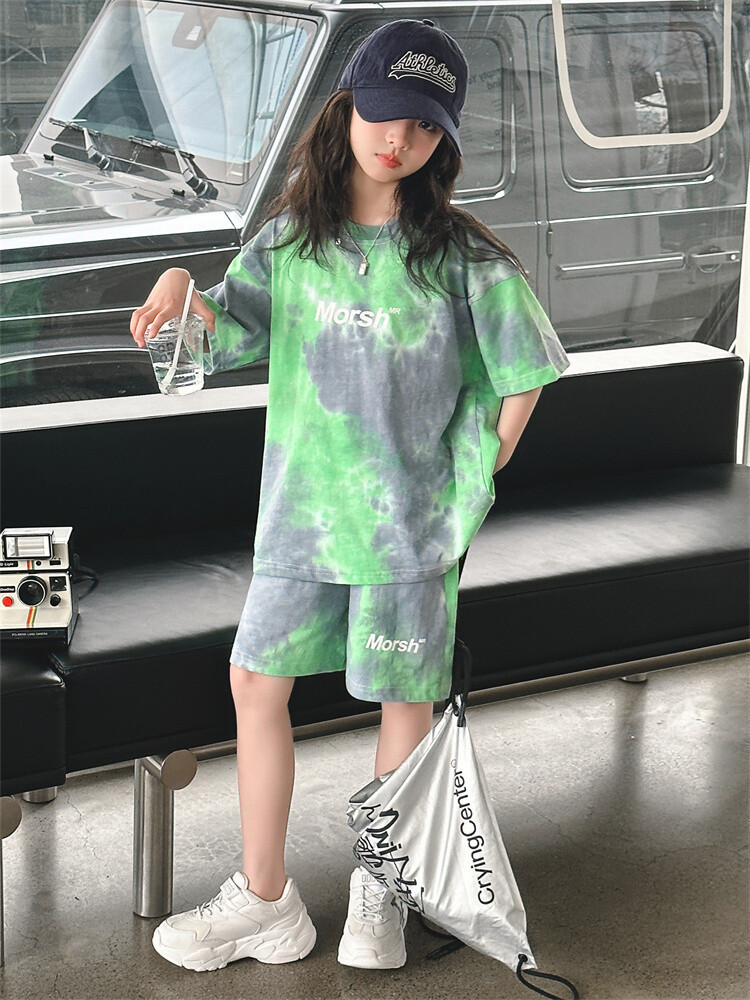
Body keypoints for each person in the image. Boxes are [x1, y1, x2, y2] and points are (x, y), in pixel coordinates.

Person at [130, 17, 570, 975]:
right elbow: (220, 337)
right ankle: (265, 901)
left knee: (403, 700)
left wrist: (473, 478)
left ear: (442, 140)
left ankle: (383, 890)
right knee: (257, 683)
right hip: (301, 522)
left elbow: (527, 368)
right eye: (384, 115)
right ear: (348, 109)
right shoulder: (291, 243)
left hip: (409, 531)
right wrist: (177, 283)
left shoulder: (461, 257)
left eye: (424, 126)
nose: (398, 140)